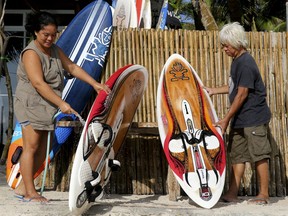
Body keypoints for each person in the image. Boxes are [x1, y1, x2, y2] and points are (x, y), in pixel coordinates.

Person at [13, 11, 111, 202]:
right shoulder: (31, 53)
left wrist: (95, 84)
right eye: (45, 34)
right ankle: (30, 193)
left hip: (46, 105)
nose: (50, 38)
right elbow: (38, 84)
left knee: (43, 151)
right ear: (36, 32)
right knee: (31, 147)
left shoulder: (55, 50)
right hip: (30, 104)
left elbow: (72, 67)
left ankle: (22, 188)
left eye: (53, 34)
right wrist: (63, 104)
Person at [205, 22, 271, 204]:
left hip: (253, 117)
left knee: (259, 155)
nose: (224, 48)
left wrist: (226, 119)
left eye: (227, 45)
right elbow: (234, 87)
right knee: (238, 155)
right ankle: (232, 193)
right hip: (241, 118)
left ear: (237, 43)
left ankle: (264, 194)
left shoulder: (246, 63)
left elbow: (242, 94)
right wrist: (212, 90)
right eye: (223, 45)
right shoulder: (237, 62)